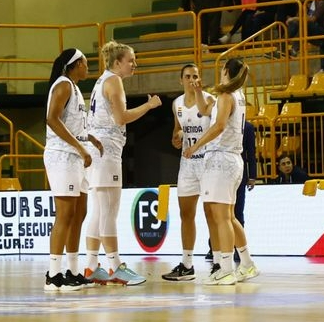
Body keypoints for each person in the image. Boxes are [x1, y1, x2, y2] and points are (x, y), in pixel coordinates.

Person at [83, 41, 161, 285]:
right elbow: (121, 118)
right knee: (109, 210)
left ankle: (91, 266)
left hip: (98, 150)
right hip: (105, 151)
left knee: (98, 210)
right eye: (131, 60)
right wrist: (148, 106)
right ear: (117, 63)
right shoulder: (114, 81)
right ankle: (115, 266)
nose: (134, 64)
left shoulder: (100, 81)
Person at [184, 58, 259, 285]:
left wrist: (196, 146)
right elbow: (206, 110)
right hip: (231, 160)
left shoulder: (227, 96)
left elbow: (218, 126)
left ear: (226, 71)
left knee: (221, 217)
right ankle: (246, 263)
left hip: (222, 160)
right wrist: (198, 92)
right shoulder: (234, 95)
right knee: (229, 216)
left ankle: (227, 268)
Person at [43, 48, 102, 291]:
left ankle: (73, 271)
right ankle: (53, 275)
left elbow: (72, 124)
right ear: (74, 65)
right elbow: (52, 119)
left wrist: (90, 138)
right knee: (65, 214)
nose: (88, 67)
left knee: (79, 213)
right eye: (85, 63)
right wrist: (81, 147)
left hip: (76, 155)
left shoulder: (75, 88)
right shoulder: (63, 85)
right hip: (63, 156)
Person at [162, 63, 214, 282]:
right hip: (187, 164)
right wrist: (176, 137)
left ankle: (220, 262)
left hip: (209, 162)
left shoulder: (210, 99)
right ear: (180, 80)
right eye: (188, 76)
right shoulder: (176, 104)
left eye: (195, 76)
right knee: (186, 214)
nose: (192, 79)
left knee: (212, 213)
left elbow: (216, 128)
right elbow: (178, 130)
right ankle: (187, 264)